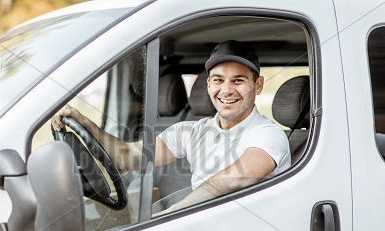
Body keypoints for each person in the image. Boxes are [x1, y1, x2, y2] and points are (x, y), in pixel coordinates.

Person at [52, 40, 291, 213]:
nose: (226, 90)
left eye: (238, 81)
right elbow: (127, 158)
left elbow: (231, 180)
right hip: (205, 229)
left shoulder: (268, 135)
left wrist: (171, 216)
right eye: (218, 80)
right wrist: (84, 121)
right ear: (208, 85)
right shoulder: (192, 131)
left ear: (258, 85)